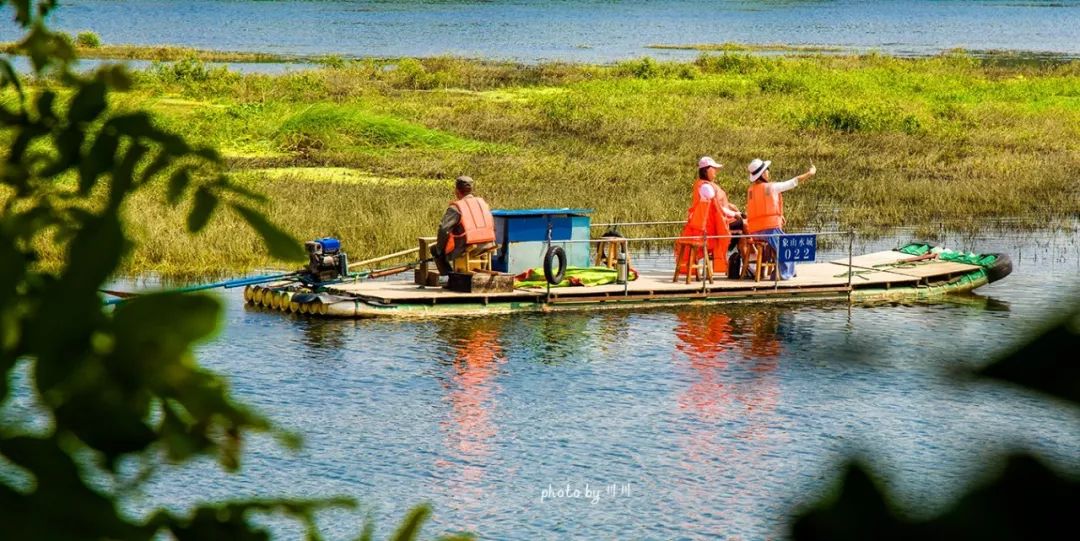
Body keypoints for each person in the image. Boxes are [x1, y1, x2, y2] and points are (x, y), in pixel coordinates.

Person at [744, 158, 816, 280]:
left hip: (755, 232)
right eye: (767, 170)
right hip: (768, 231)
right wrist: (810, 173)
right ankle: (784, 274)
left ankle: (786, 271)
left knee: (783, 241)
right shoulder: (771, 187)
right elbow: (793, 182)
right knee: (788, 244)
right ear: (762, 174)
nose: (768, 172)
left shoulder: (751, 190)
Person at [680, 156, 741, 274]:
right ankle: (749, 265)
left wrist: (734, 211)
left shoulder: (703, 185)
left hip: (707, 225)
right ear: (706, 170)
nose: (716, 172)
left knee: (741, 227)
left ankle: (744, 264)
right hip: (709, 228)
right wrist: (735, 213)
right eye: (714, 169)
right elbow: (718, 206)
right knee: (744, 227)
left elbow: (719, 206)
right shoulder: (706, 187)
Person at [433, 175, 496, 277]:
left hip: (468, 246)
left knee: (435, 249)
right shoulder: (483, 204)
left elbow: (443, 230)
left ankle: (449, 276)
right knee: (481, 248)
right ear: (471, 190)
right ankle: (482, 271)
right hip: (489, 244)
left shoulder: (456, 207)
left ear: (457, 191)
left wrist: (440, 249)